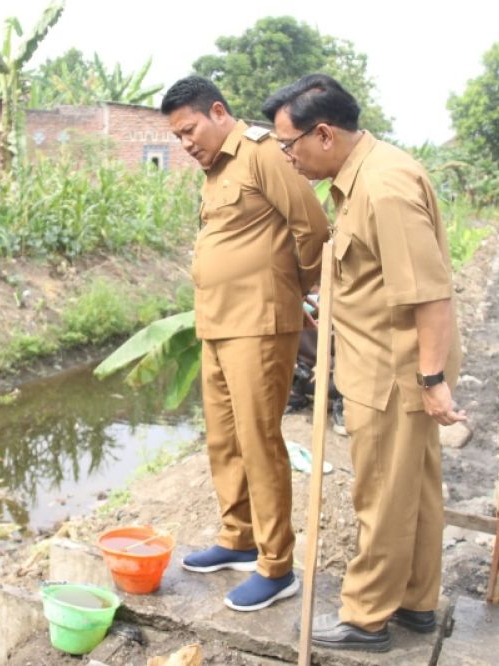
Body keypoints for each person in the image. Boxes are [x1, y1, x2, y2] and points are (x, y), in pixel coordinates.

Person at [262, 74, 464, 651]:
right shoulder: (364, 177)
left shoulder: (382, 187)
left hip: (393, 375)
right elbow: (374, 274)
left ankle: (366, 616)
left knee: (381, 496)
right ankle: (416, 602)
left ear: (324, 134)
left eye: (290, 144)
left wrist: (431, 380)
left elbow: (429, 293)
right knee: (415, 489)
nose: (288, 157)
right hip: (388, 364)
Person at [160, 76, 330, 611]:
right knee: (224, 440)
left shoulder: (261, 153)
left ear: (217, 111)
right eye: (178, 137)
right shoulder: (214, 171)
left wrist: (295, 290)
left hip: (259, 325)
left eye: (189, 130)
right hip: (216, 324)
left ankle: (277, 566)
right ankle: (238, 538)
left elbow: (312, 227)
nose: (186, 143)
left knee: (259, 441)